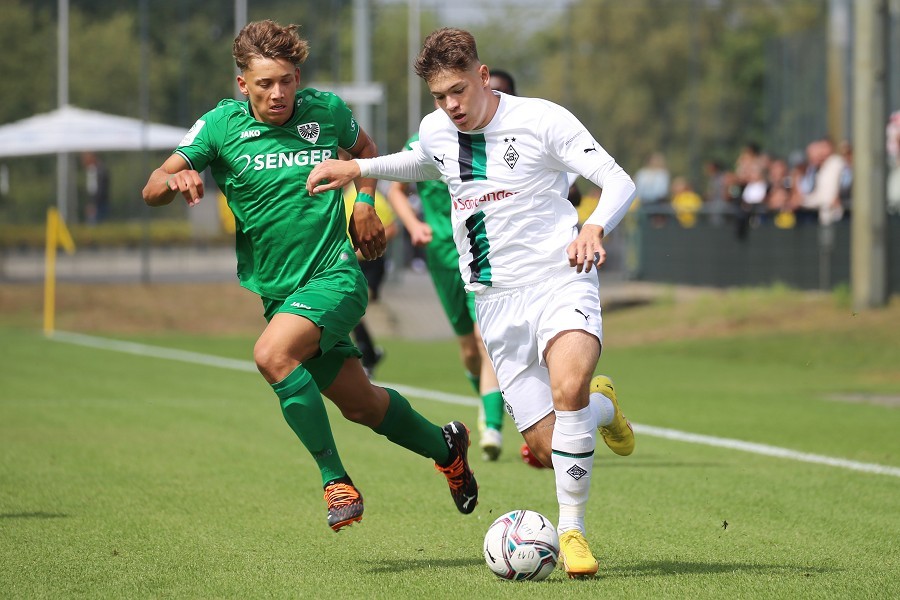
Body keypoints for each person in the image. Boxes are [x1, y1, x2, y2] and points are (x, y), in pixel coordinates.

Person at [307, 27, 636, 578]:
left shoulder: (543, 119)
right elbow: (421, 162)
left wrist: (594, 225)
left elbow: (618, 180)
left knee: (567, 384)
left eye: (459, 90)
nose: (451, 105)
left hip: (561, 277)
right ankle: (602, 407)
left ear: (483, 76)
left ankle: (574, 532)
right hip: (495, 302)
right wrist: (357, 167)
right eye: (439, 96)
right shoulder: (437, 130)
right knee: (550, 441)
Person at [141, 20, 477, 533]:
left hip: (336, 276)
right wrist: (176, 177)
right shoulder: (218, 128)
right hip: (280, 295)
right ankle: (446, 447)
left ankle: (334, 479)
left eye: (287, 80)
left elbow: (367, 155)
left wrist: (364, 204)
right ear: (242, 85)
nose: (278, 93)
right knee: (362, 405)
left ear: (299, 76)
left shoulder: (327, 112)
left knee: (271, 355)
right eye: (265, 83)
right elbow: (153, 186)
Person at [343, 184, 397, 378]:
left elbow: (391, 229)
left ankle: (368, 357)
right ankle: (370, 355)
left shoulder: (372, 199)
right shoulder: (341, 197)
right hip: (350, 265)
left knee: (352, 310)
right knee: (349, 311)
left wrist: (366, 246)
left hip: (371, 265)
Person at [81, 152, 110, 224]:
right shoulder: (91, 170)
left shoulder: (99, 171)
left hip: (98, 205)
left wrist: (93, 204)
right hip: (95, 204)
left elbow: (100, 190)